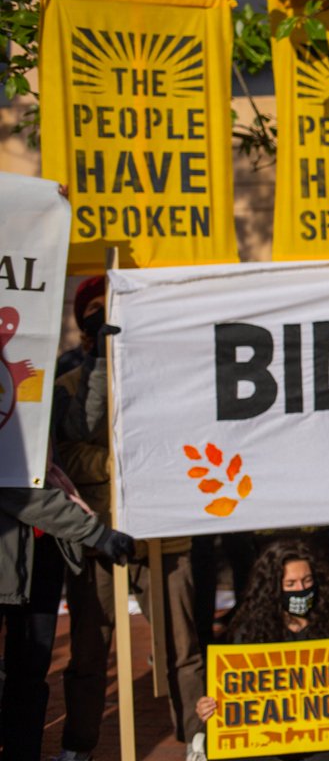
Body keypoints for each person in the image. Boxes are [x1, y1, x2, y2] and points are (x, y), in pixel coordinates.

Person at [53, 276, 207, 761]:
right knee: (89, 649)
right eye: (94, 312)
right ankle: (79, 745)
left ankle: (197, 737)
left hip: (164, 533)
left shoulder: (167, 378)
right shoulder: (66, 384)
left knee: (181, 643)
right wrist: (126, 465)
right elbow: (66, 459)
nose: (104, 318)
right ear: (84, 325)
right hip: (97, 536)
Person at [195, 537, 329, 761]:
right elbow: (234, 692)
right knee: (218, 740)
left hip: (325, 741)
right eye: (291, 584)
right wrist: (210, 706)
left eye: (307, 581)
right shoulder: (250, 630)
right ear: (273, 588)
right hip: (271, 744)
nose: (301, 590)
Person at [0, 469, 134, 761]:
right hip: (7, 553)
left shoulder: (45, 424)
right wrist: (94, 532)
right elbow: (15, 487)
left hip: (43, 551)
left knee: (30, 672)